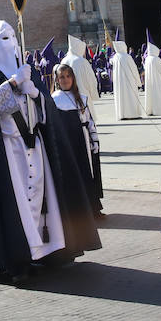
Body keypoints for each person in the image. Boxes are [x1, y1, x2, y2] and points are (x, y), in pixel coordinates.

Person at [0, 20, 98, 284]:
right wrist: (13, 83)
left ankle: (48, 249)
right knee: (17, 203)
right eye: (3, 39)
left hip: (35, 145)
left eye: (12, 37)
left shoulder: (26, 68)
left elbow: (44, 111)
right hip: (8, 150)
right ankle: (18, 255)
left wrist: (36, 94)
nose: (11, 43)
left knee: (42, 198)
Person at [47, 63, 103, 218]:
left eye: (68, 76)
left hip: (82, 142)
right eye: (62, 77)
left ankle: (92, 207)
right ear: (57, 80)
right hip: (64, 144)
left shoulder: (82, 99)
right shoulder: (53, 100)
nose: (65, 80)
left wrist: (94, 141)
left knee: (86, 172)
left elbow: (90, 122)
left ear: (73, 78)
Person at [63, 35, 99, 120]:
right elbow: (90, 79)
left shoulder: (64, 60)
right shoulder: (82, 61)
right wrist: (93, 93)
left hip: (68, 95)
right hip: (83, 93)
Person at [109, 39, 144, 121]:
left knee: (122, 97)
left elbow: (110, 62)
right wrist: (138, 82)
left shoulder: (115, 58)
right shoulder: (127, 57)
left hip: (119, 83)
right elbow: (134, 70)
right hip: (129, 81)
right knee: (130, 97)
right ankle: (132, 113)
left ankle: (122, 114)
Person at [141, 41, 161, 116]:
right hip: (158, 80)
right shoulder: (156, 59)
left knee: (150, 95)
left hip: (149, 81)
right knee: (159, 95)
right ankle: (160, 110)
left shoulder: (147, 59)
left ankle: (150, 110)